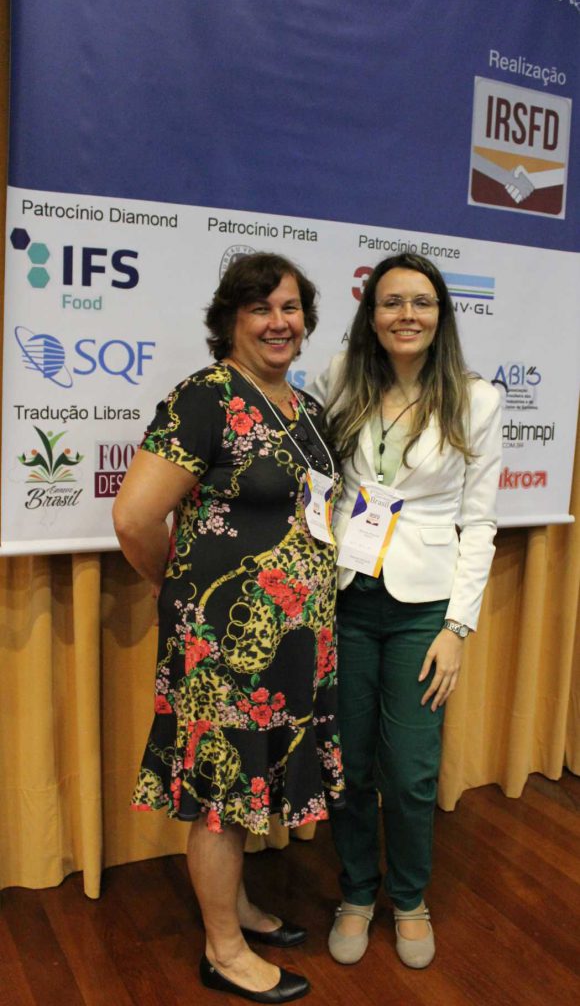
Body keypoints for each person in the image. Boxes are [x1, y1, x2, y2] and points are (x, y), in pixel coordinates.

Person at [113, 252, 344, 1004]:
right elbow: (135, 518)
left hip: (295, 643)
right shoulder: (205, 398)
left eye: (290, 308)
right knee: (223, 788)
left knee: (248, 784)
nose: (279, 322)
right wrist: (181, 590)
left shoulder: (305, 410)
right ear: (231, 321)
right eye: (260, 308)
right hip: (225, 647)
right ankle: (222, 951)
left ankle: (236, 909)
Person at [311, 252, 502, 969]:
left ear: (441, 314)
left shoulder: (476, 400)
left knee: (414, 772)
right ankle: (358, 893)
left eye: (421, 302)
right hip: (347, 596)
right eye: (391, 302)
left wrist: (458, 627)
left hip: (425, 607)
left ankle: (411, 900)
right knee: (350, 763)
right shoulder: (342, 377)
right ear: (371, 315)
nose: (406, 315)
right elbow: (313, 473)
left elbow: (479, 522)